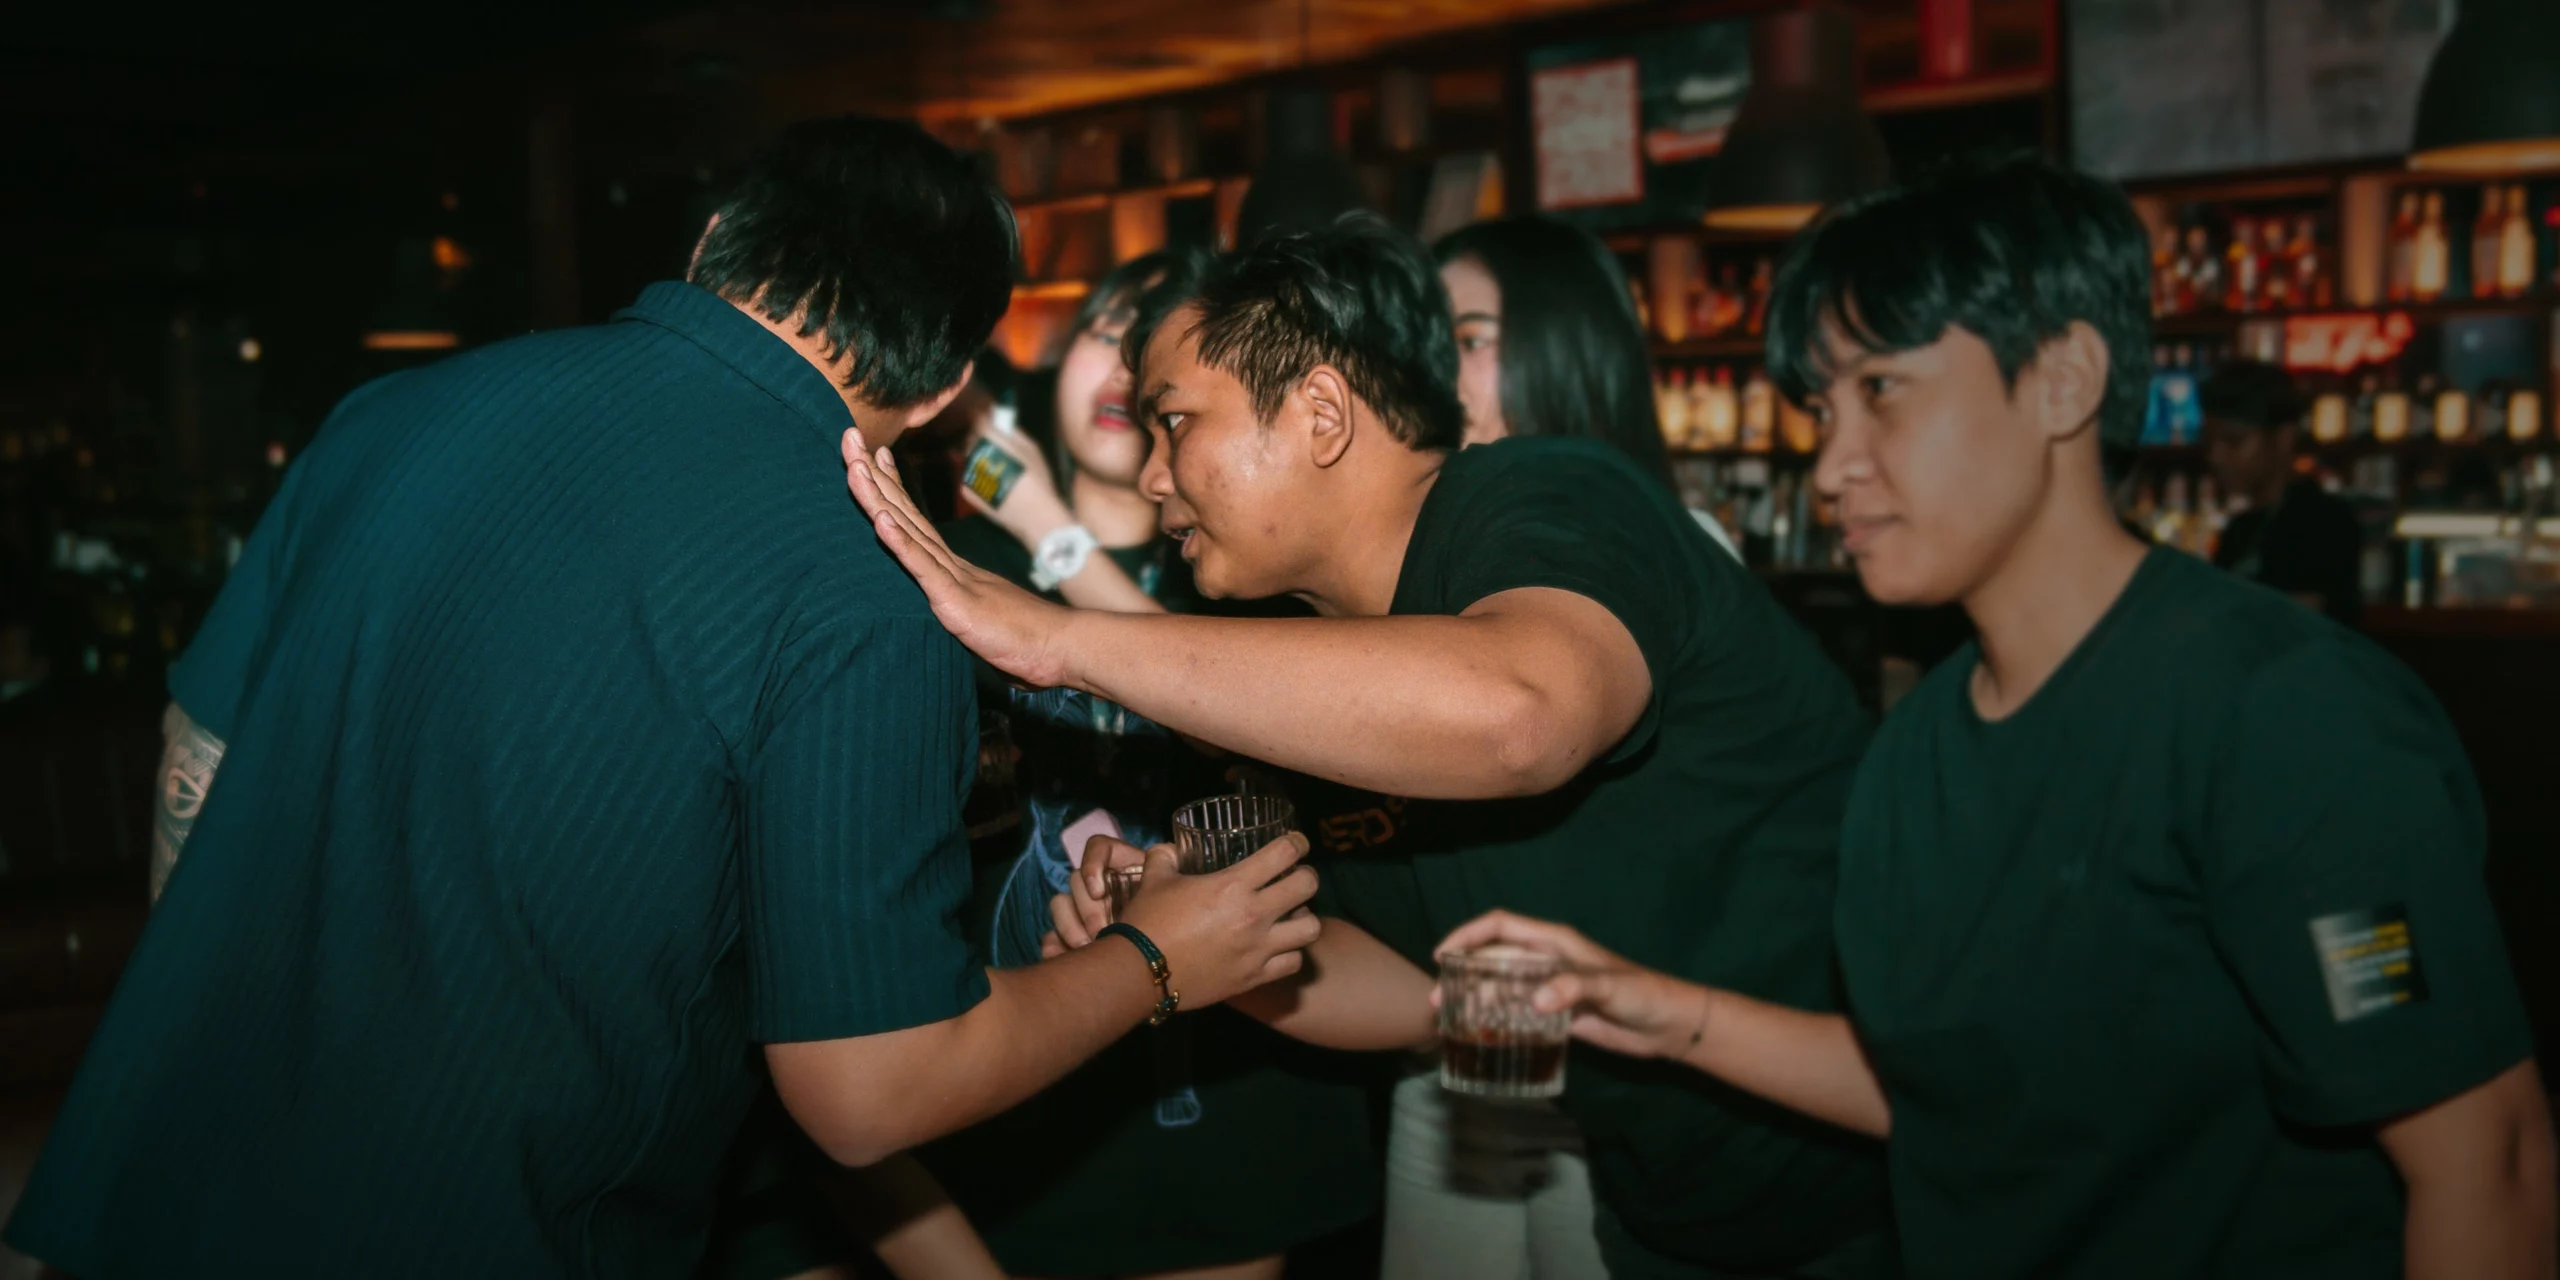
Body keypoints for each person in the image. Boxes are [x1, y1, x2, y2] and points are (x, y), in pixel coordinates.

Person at [3, 115, 1320, 1279]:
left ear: (709, 244)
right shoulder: (863, 596)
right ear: (939, 389)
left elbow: (201, 758)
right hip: (482, 1228)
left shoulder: (389, 414)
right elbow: (868, 1089)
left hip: (169, 1181)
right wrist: (1161, 962)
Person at [1437, 156, 2556, 1279]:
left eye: (1881, 389)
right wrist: (1667, 1011)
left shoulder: (2278, 709)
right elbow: (1948, 1091)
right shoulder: (1916, 749)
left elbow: (2484, 1161)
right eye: (1822, 409)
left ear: (2065, 377)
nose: (1832, 463)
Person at [843, 216, 1893, 1279]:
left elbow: (1521, 713)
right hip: (1670, 1211)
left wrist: (1059, 637)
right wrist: (1201, 934)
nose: (1155, 478)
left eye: (1175, 422)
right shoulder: (1296, 666)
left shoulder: (1540, 497)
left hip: (1894, 1170)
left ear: (1322, 413)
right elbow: (1402, 986)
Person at [913, 249, 1381, 1280]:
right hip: (1005, 1117)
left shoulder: (1258, 578)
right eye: (1105, 334)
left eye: (1156, 353)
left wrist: (1049, 527)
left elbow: (1243, 725)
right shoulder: (953, 571)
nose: (1126, 375)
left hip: (1232, 1118)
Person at [1434, 215, 1738, 560]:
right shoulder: (1440, 542)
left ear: (1561, 358)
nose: (1434, 366)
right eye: (1427, 341)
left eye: (1471, 340)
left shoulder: (1672, 552)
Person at [2200, 357, 2363, 625]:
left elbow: (2302, 623)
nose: (2216, 456)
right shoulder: (2240, 529)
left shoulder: (2323, 521)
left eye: (2233, 441)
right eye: (2208, 441)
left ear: (2284, 437)